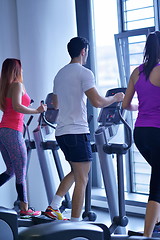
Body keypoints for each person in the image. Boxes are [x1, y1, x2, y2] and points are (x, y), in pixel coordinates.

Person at [44, 36, 124, 222]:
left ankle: (53, 207)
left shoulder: (60, 74)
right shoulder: (84, 73)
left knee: (76, 171)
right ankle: (75, 223)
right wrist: (115, 98)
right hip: (77, 131)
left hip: (62, 132)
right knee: (83, 178)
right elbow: (97, 101)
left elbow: (55, 104)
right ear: (83, 51)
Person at [122, 31, 160, 237]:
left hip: (141, 134)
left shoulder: (137, 72)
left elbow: (126, 104)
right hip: (157, 133)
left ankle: (158, 222)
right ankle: (147, 235)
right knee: (156, 188)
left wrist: (142, 107)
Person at [0, 58, 47, 217]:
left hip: (4, 130)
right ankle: (25, 208)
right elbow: (17, 106)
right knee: (21, 171)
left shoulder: (5, 87)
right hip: (12, 131)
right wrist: (37, 110)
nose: (23, 71)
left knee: (11, 170)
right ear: (16, 70)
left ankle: (23, 206)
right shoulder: (17, 85)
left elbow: (8, 108)